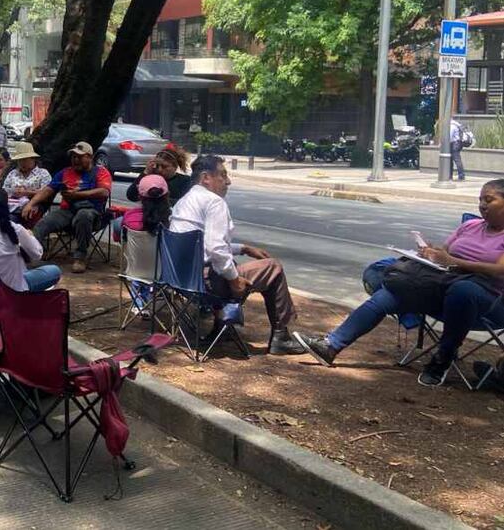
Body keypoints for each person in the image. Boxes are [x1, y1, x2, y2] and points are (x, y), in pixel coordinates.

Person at [295, 179, 504, 386]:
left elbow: (500, 270)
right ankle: (331, 345)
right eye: (480, 200)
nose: (482, 205)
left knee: (463, 290)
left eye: (489, 200)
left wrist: (454, 262)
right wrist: (430, 252)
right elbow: (445, 253)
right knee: (393, 285)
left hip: (487, 300)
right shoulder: (470, 225)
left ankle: (443, 358)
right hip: (444, 284)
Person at [168, 155, 305, 355]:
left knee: (230, 263)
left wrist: (244, 248)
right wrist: (233, 280)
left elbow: (201, 243)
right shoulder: (214, 202)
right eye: (223, 175)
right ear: (206, 178)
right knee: (273, 267)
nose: (228, 181)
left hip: (181, 280)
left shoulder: (185, 200)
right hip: (205, 284)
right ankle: (280, 336)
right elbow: (215, 249)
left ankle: (222, 327)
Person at [23, 141, 112, 274]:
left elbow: (104, 192)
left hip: (91, 212)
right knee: (44, 222)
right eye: (73, 157)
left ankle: (80, 258)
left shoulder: (101, 172)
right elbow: (48, 190)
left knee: (84, 216)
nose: (75, 160)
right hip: (67, 211)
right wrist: (31, 204)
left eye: (79, 157)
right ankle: (31, 254)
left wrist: (77, 195)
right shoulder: (65, 172)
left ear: (90, 157)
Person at [1, 142, 52, 217]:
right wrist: (14, 192)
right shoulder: (13, 173)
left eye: (25, 160)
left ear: (33, 159)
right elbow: (4, 190)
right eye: (19, 160)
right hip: (12, 207)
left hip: (34, 208)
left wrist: (27, 193)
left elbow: (47, 193)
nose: (22, 163)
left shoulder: (43, 173)